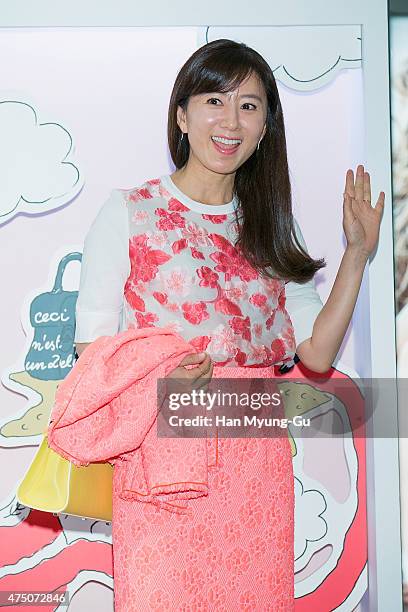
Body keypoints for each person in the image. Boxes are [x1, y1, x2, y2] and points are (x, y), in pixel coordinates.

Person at [73, 39, 385, 611]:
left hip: (255, 470)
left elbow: (315, 353)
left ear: (266, 126)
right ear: (182, 115)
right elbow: (91, 350)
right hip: (165, 461)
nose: (230, 120)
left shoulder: (268, 226)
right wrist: (158, 378)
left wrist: (358, 254)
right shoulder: (129, 212)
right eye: (214, 99)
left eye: (249, 105)